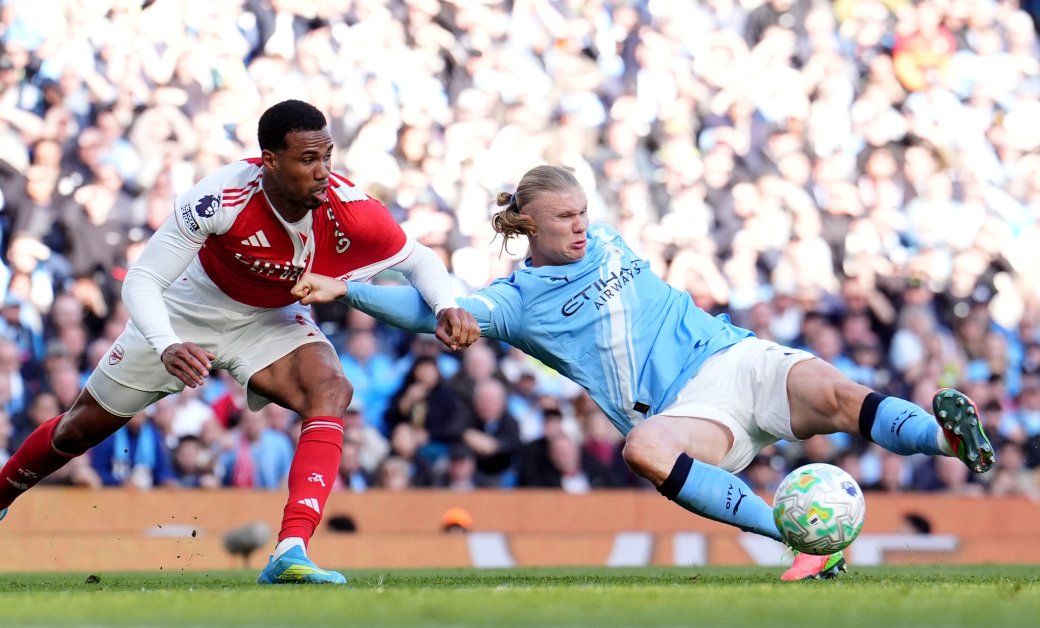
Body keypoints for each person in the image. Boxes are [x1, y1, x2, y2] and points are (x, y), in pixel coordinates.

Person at [291, 164, 997, 581]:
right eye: (563, 216)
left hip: (737, 355)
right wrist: (349, 289)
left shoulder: (605, 238)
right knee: (644, 450)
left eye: (582, 213)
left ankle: (949, 441)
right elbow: (430, 312)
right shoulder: (513, 302)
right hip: (686, 408)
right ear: (529, 226)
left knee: (843, 392)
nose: (579, 225)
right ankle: (798, 540)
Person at [0, 100, 479, 584]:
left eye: (327, 156)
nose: (323, 170)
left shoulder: (351, 210)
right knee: (79, 429)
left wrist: (447, 304)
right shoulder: (221, 197)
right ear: (269, 162)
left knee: (331, 388)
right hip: (187, 310)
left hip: (270, 320)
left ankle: (290, 551)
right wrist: (165, 342)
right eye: (308, 159)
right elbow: (144, 278)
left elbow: (417, 259)